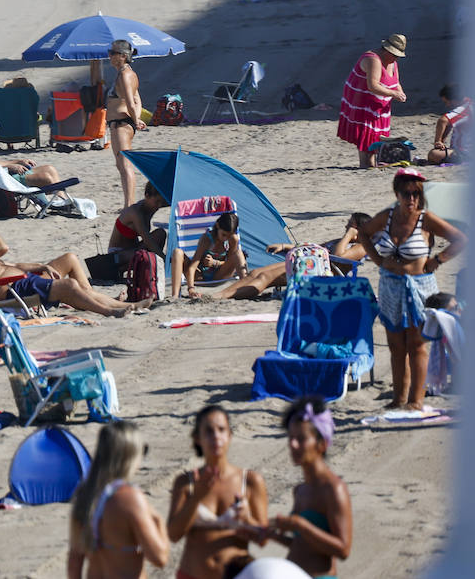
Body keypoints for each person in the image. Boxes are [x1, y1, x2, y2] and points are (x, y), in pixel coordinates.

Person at [358, 169, 464, 410]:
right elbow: (363, 232)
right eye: (407, 193)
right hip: (390, 287)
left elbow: (460, 239)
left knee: (417, 344)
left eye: (416, 193)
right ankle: (398, 399)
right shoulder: (386, 217)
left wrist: (437, 260)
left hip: (419, 287)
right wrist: (377, 260)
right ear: (397, 193)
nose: (412, 199)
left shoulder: (425, 219)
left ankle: (416, 400)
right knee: (396, 346)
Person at [0, 219, 152, 316]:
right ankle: (109, 310)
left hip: (25, 279)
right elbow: (3, 248)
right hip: (15, 290)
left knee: (70, 259)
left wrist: (41, 265)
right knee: (69, 285)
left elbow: (14, 264)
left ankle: (111, 302)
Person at [253, 398, 352, 578]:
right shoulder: (300, 489)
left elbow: (343, 549)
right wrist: (273, 535)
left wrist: (300, 524)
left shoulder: (334, 489)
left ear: (322, 444)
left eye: (301, 438)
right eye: (291, 438)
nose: (292, 444)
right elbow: (302, 544)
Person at [167, 406, 268, 579]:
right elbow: (173, 535)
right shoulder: (186, 483)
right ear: (197, 438)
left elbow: (263, 538)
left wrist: (247, 520)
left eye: (221, 430)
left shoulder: (250, 481)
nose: (216, 436)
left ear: (230, 435)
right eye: (208, 431)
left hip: (236, 574)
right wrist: (195, 498)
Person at [68, 420, 171, 579]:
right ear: (130, 455)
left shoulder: (85, 494)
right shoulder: (129, 498)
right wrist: (159, 521)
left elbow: (75, 562)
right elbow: (160, 558)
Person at [212, 213, 370, 300]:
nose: (346, 226)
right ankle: (221, 294)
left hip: (319, 273)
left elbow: (337, 255)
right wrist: (286, 247)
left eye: (350, 224)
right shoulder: (342, 241)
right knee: (255, 272)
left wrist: (350, 234)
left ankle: (222, 296)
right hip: (309, 263)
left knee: (265, 276)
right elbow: (317, 248)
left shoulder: (362, 247)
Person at [336, 34, 407, 169]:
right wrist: (394, 94)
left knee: (377, 139)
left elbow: (396, 83)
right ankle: (366, 164)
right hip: (363, 102)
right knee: (367, 138)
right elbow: (373, 86)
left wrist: (401, 92)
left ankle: (371, 163)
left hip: (380, 105)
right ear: (387, 50)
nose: (396, 58)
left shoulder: (393, 62)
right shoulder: (373, 59)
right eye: (395, 54)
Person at [106, 40, 147, 209]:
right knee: (121, 164)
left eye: (112, 53)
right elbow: (138, 101)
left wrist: (134, 120)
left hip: (122, 124)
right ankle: (128, 203)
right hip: (121, 122)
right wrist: (136, 118)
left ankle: (129, 205)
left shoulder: (125, 75)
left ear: (123, 56)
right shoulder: (126, 73)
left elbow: (131, 101)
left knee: (125, 164)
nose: (109, 56)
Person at [170, 211, 248, 299]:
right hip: (200, 276)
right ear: (218, 226)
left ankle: (246, 288)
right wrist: (191, 289)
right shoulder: (206, 239)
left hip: (220, 275)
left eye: (229, 235)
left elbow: (228, 262)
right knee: (177, 252)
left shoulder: (233, 239)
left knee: (238, 253)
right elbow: (192, 267)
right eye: (223, 235)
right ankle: (175, 296)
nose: (225, 238)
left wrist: (215, 263)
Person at [428, 82, 470, 164]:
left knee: (433, 154)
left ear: (454, 100)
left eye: (447, 102)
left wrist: (437, 141)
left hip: (464, 152)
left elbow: (443, 120)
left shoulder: (464, 109)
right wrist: (441, 142)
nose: (447, 105)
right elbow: (449, 124)